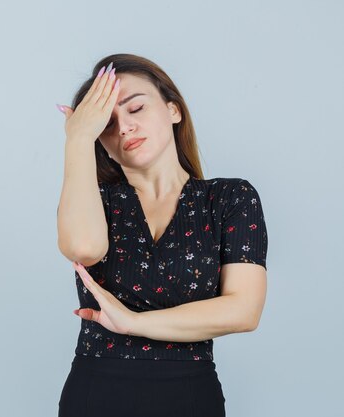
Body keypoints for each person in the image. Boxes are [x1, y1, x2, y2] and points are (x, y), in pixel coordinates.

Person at [55, 54, 268, 417]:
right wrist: (76, 140)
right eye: (105, 124)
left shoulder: (230, 199)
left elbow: (243, 311)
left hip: (188, 393)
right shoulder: (93, 199)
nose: (123, 127)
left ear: (173, 109)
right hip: (95, 392)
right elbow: (84, 248)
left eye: (135, 108)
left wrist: (134, 322)